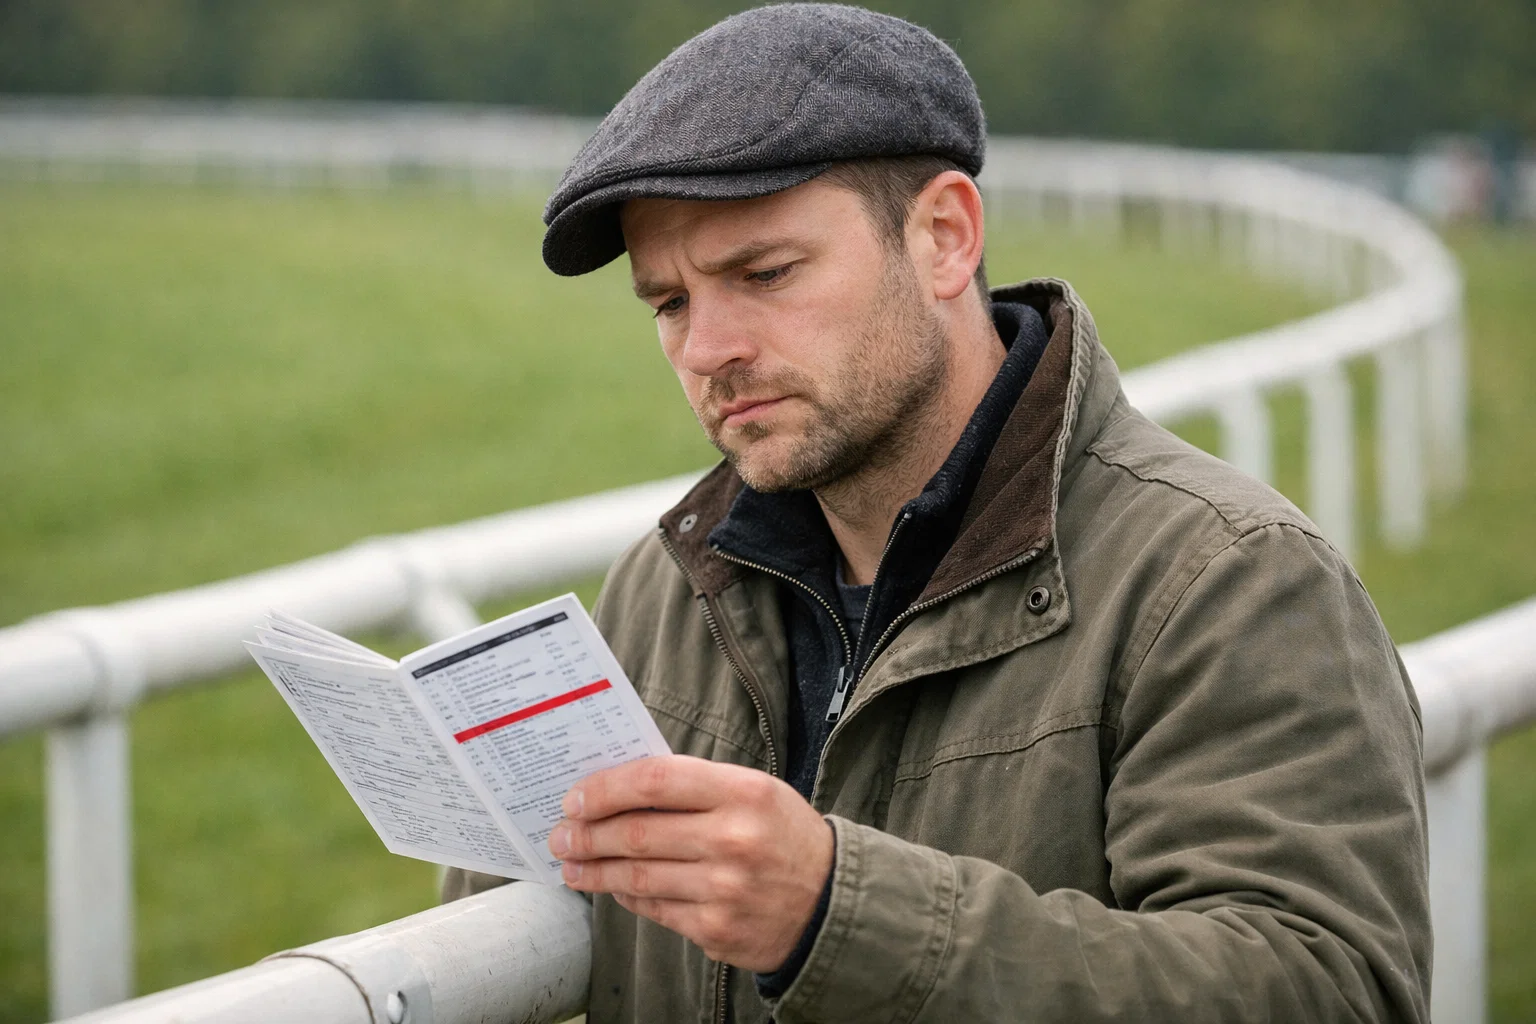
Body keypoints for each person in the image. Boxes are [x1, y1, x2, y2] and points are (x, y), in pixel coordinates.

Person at [443, 5, 1431, 1022]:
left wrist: (834, 913)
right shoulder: (662, 589)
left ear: (945, 236)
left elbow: (1325, 987)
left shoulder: (1230, 576)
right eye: (670, 302)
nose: (706, 349)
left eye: (764, 273)